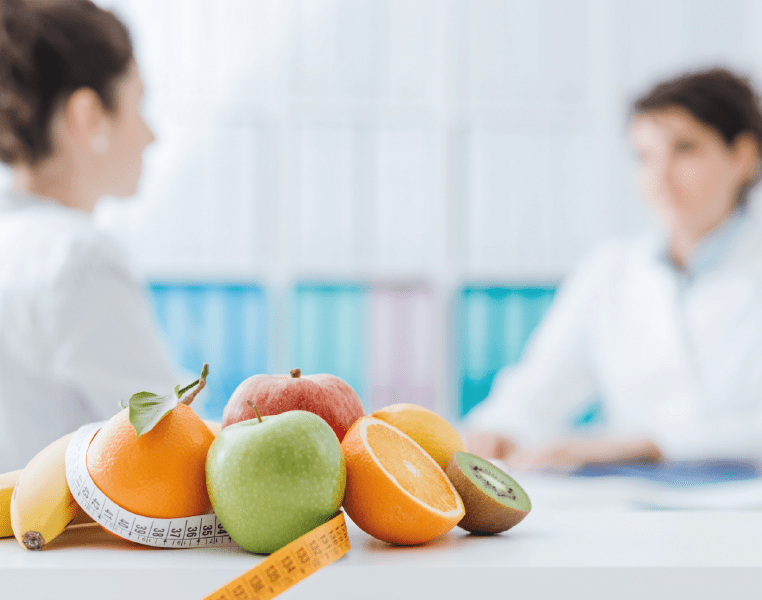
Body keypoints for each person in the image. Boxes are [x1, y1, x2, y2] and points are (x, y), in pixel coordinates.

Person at [464, 68, 762, 472]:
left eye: (685, 150)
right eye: (645, 157)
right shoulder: (611, 269)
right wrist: (501, 428)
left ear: (743, 157)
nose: (660, 176)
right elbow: (541, 383)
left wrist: (648, 445)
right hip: (632, 497)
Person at [0, 0, 182, 472]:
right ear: (88, 116)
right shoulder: (77, 259)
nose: (151, 135)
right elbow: (172, 447)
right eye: (137, 105)